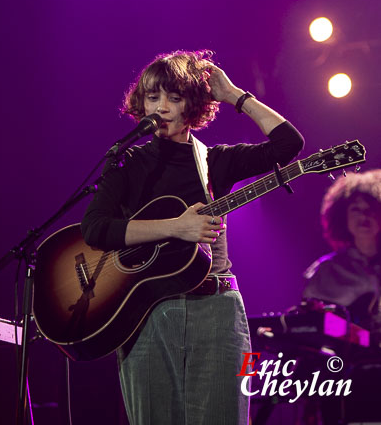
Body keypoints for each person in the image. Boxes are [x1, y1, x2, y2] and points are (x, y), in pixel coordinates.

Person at [81, 49, 304, 425]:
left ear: (194, 105)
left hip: (215, 308)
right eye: (153, 97)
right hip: (146, 312)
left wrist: (234, 95)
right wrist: (176, 227)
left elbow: (289, 144)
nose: (162, 107)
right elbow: (95, 229)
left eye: (174, 97)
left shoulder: (215, 161)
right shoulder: (126, 162)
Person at [303, 169, 381, 340]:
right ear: (342, 216)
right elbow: (312, 322)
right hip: (348, 361)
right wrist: (362, 338)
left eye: (370, 208)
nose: (363, 214)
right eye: (355, 209)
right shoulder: (327, 270)